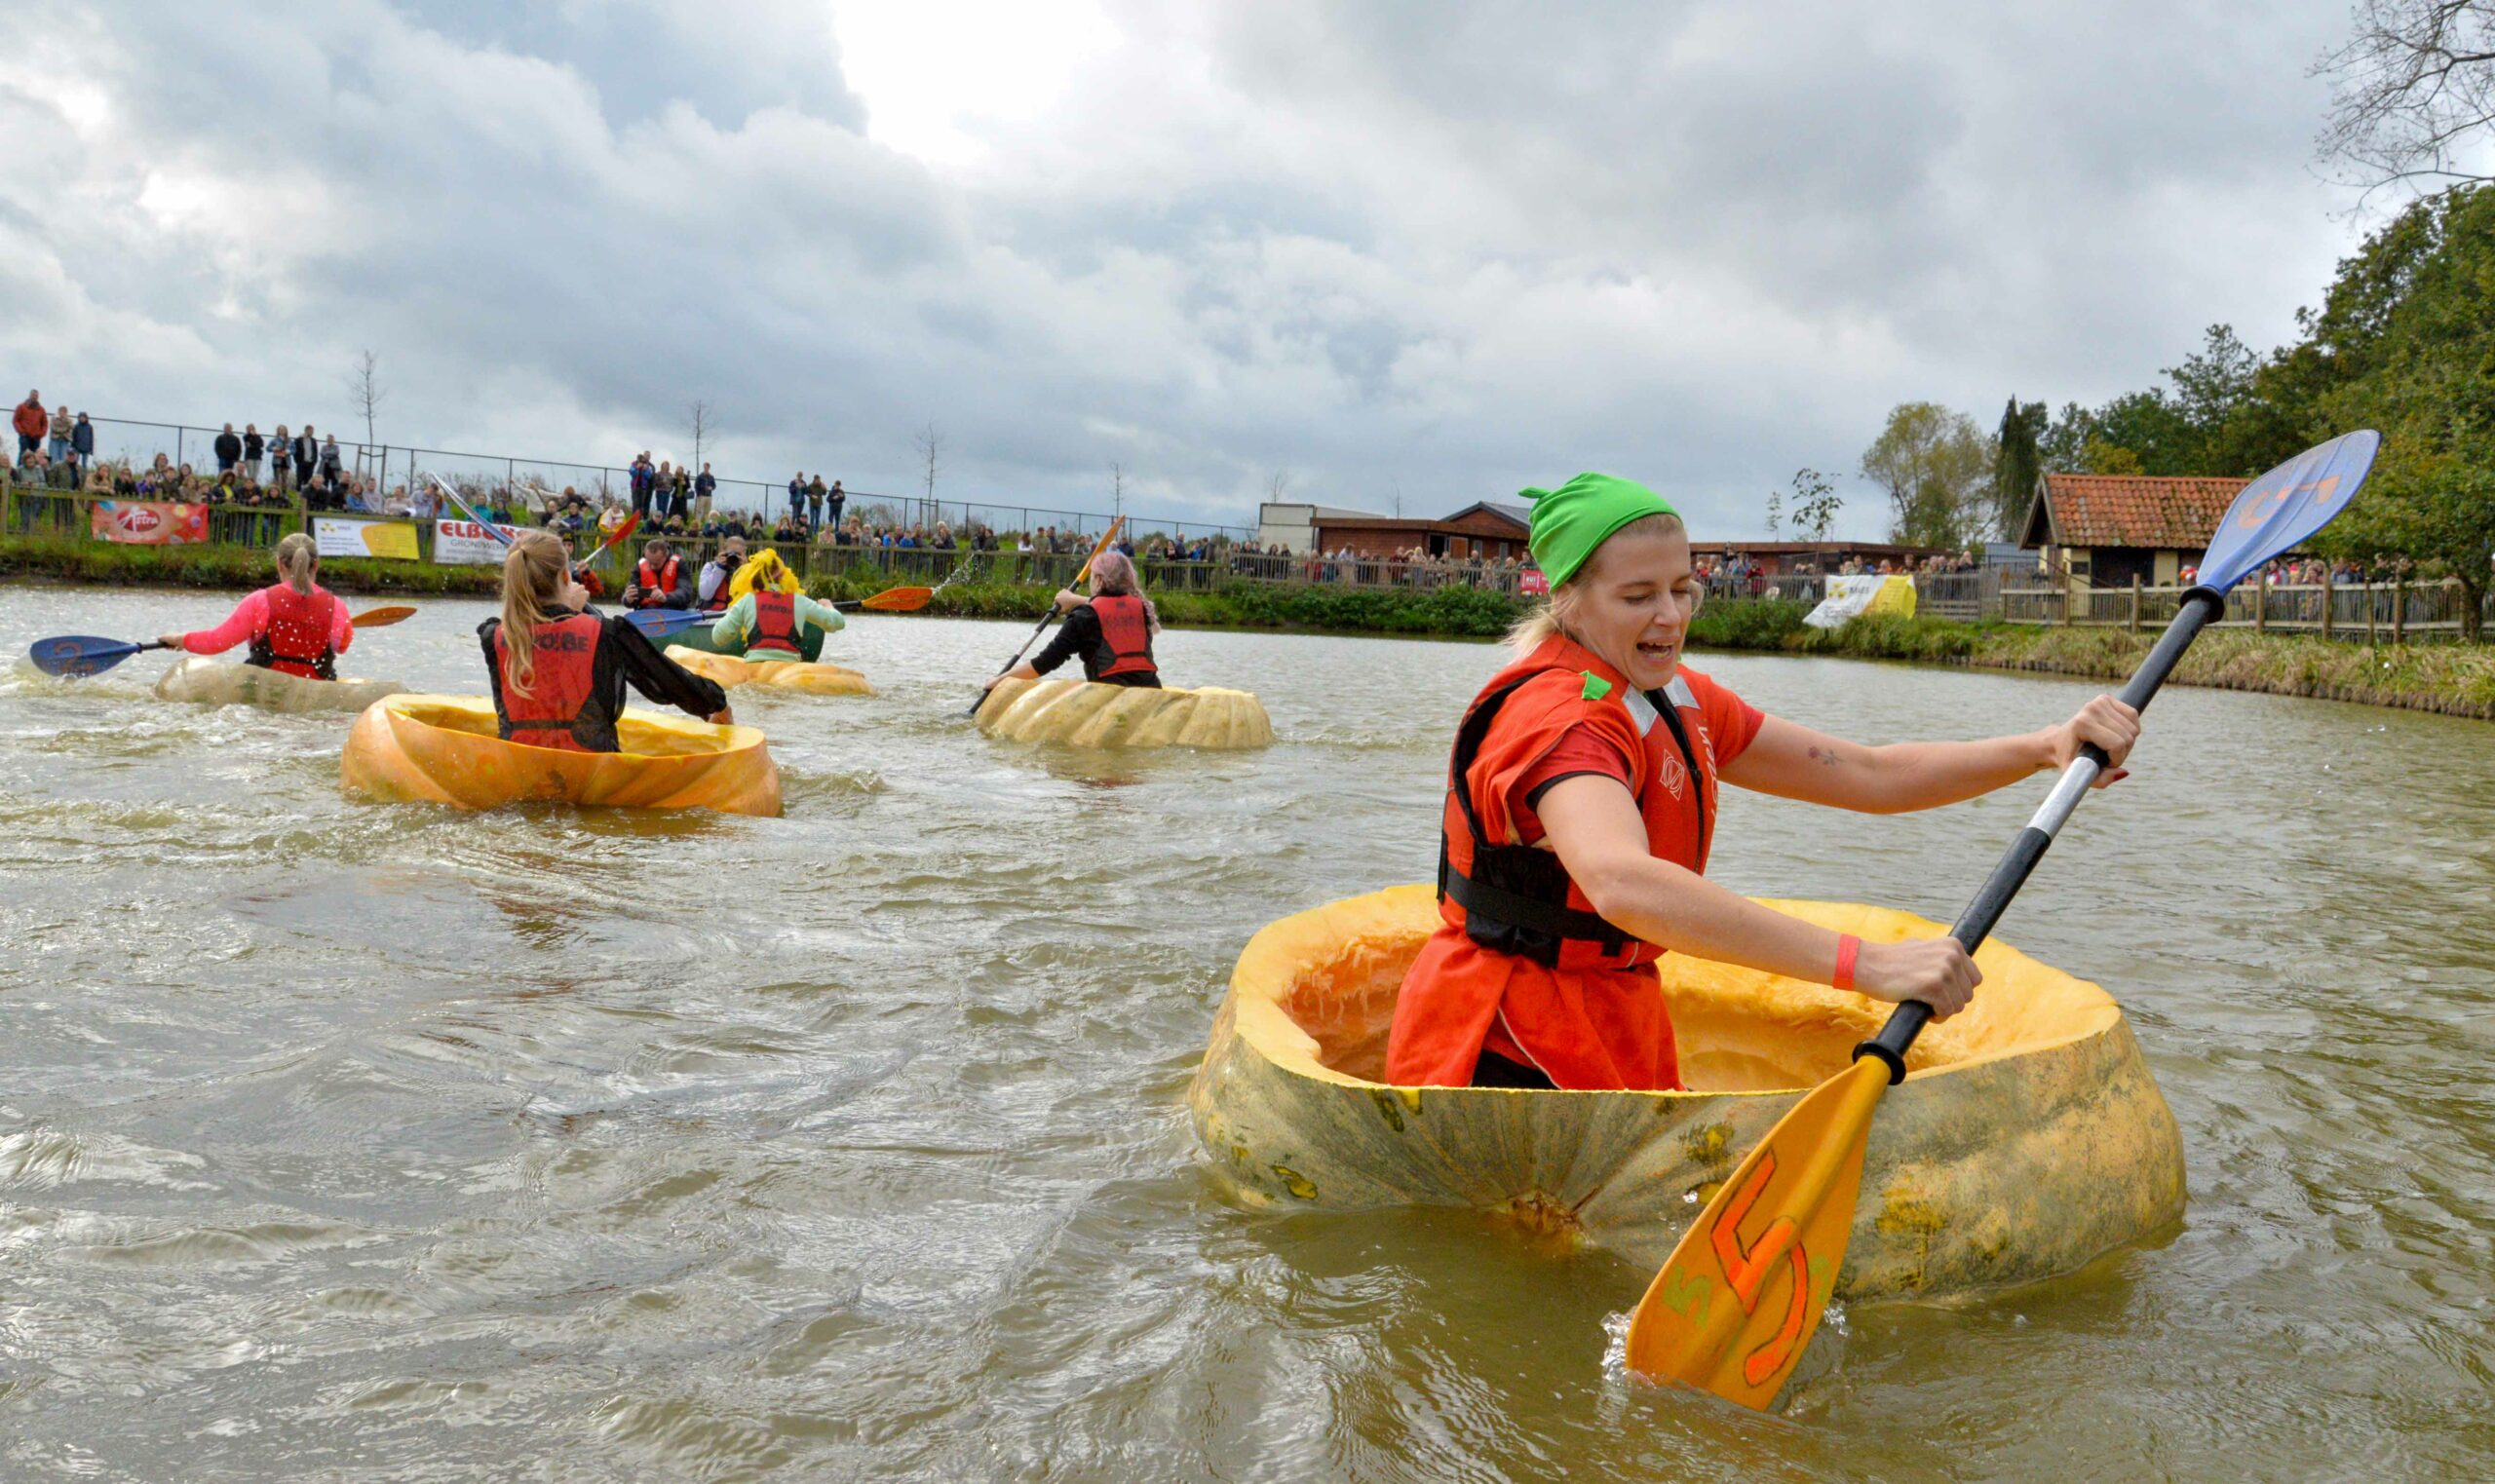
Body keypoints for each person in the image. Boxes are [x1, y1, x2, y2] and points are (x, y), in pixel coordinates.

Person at [1381, 473, 2141, 1093]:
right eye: (1637, 595)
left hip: (1614, 1013)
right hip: (1506, 1039)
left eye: (1683, 588)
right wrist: (1867, 965)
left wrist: (2043, 746)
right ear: (1568, 601)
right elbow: (1619, 881)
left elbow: (1871, 775)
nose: (1670, 616)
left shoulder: (1677, 697)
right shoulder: (1564, 720)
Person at [480, 531, 731, 753]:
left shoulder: (492, 636)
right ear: (567, 579)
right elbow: (672, 685)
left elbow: (544, 653)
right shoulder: (608, 632)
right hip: (592, 778)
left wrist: (567, 613)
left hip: (519, 771)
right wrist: (718, 701)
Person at [157, 531, 354, 680]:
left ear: (279, 564)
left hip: (263, 691)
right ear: (316, 565)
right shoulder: (337, 607)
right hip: (315, 694)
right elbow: (343, 646)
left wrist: (180, 639)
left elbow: (217, 642)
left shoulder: (260, 601)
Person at [982, 548, 1161, 693]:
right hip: (1151, 691)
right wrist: (1075, 600)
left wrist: (1001, 680)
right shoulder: (1142, 608)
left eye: (1091, 576)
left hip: (1109, 696)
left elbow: (1045, 662)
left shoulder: (1084, 616)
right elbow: (1110, 607)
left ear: (1099, 580)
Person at [710, 548, 842, 659]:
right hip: (789, 668)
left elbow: (718, 637)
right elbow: (838, 622)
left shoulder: (747, 600)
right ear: (782, 575)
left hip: (756, 666)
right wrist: (828, 605)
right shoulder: (799, 600)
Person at [623, 538, 691, 609]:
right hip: (647, 612)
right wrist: (628, 600)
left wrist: (666, 597)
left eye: (656, 564)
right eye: (649, 563)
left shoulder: (679, 564)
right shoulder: (640, 565)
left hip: (672, 610)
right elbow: (631, 592)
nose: (652, 567)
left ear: (666, 555)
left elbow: (685, 592)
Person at [696, 536, 747, 613]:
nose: (734, 557)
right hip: (712, 615)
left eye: (738, 554)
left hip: (736, 615)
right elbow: (705, 595)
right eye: (731, 553)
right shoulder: (711, 567)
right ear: (724, 551)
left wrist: (745, 569)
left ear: (744, 554)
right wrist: (719, 568)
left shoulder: (750, 570)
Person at [14, 391, 46, 458]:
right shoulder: (21, 407)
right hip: (25, 436)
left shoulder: (41, 410)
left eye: (36, 395)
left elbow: (44, 423)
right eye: (33, 395)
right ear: (30, 395)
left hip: (36, 437)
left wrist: (40, 434)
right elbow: (15, 420)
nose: (34, 397)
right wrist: (21, 432)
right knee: (23, 455)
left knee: (35, 456)